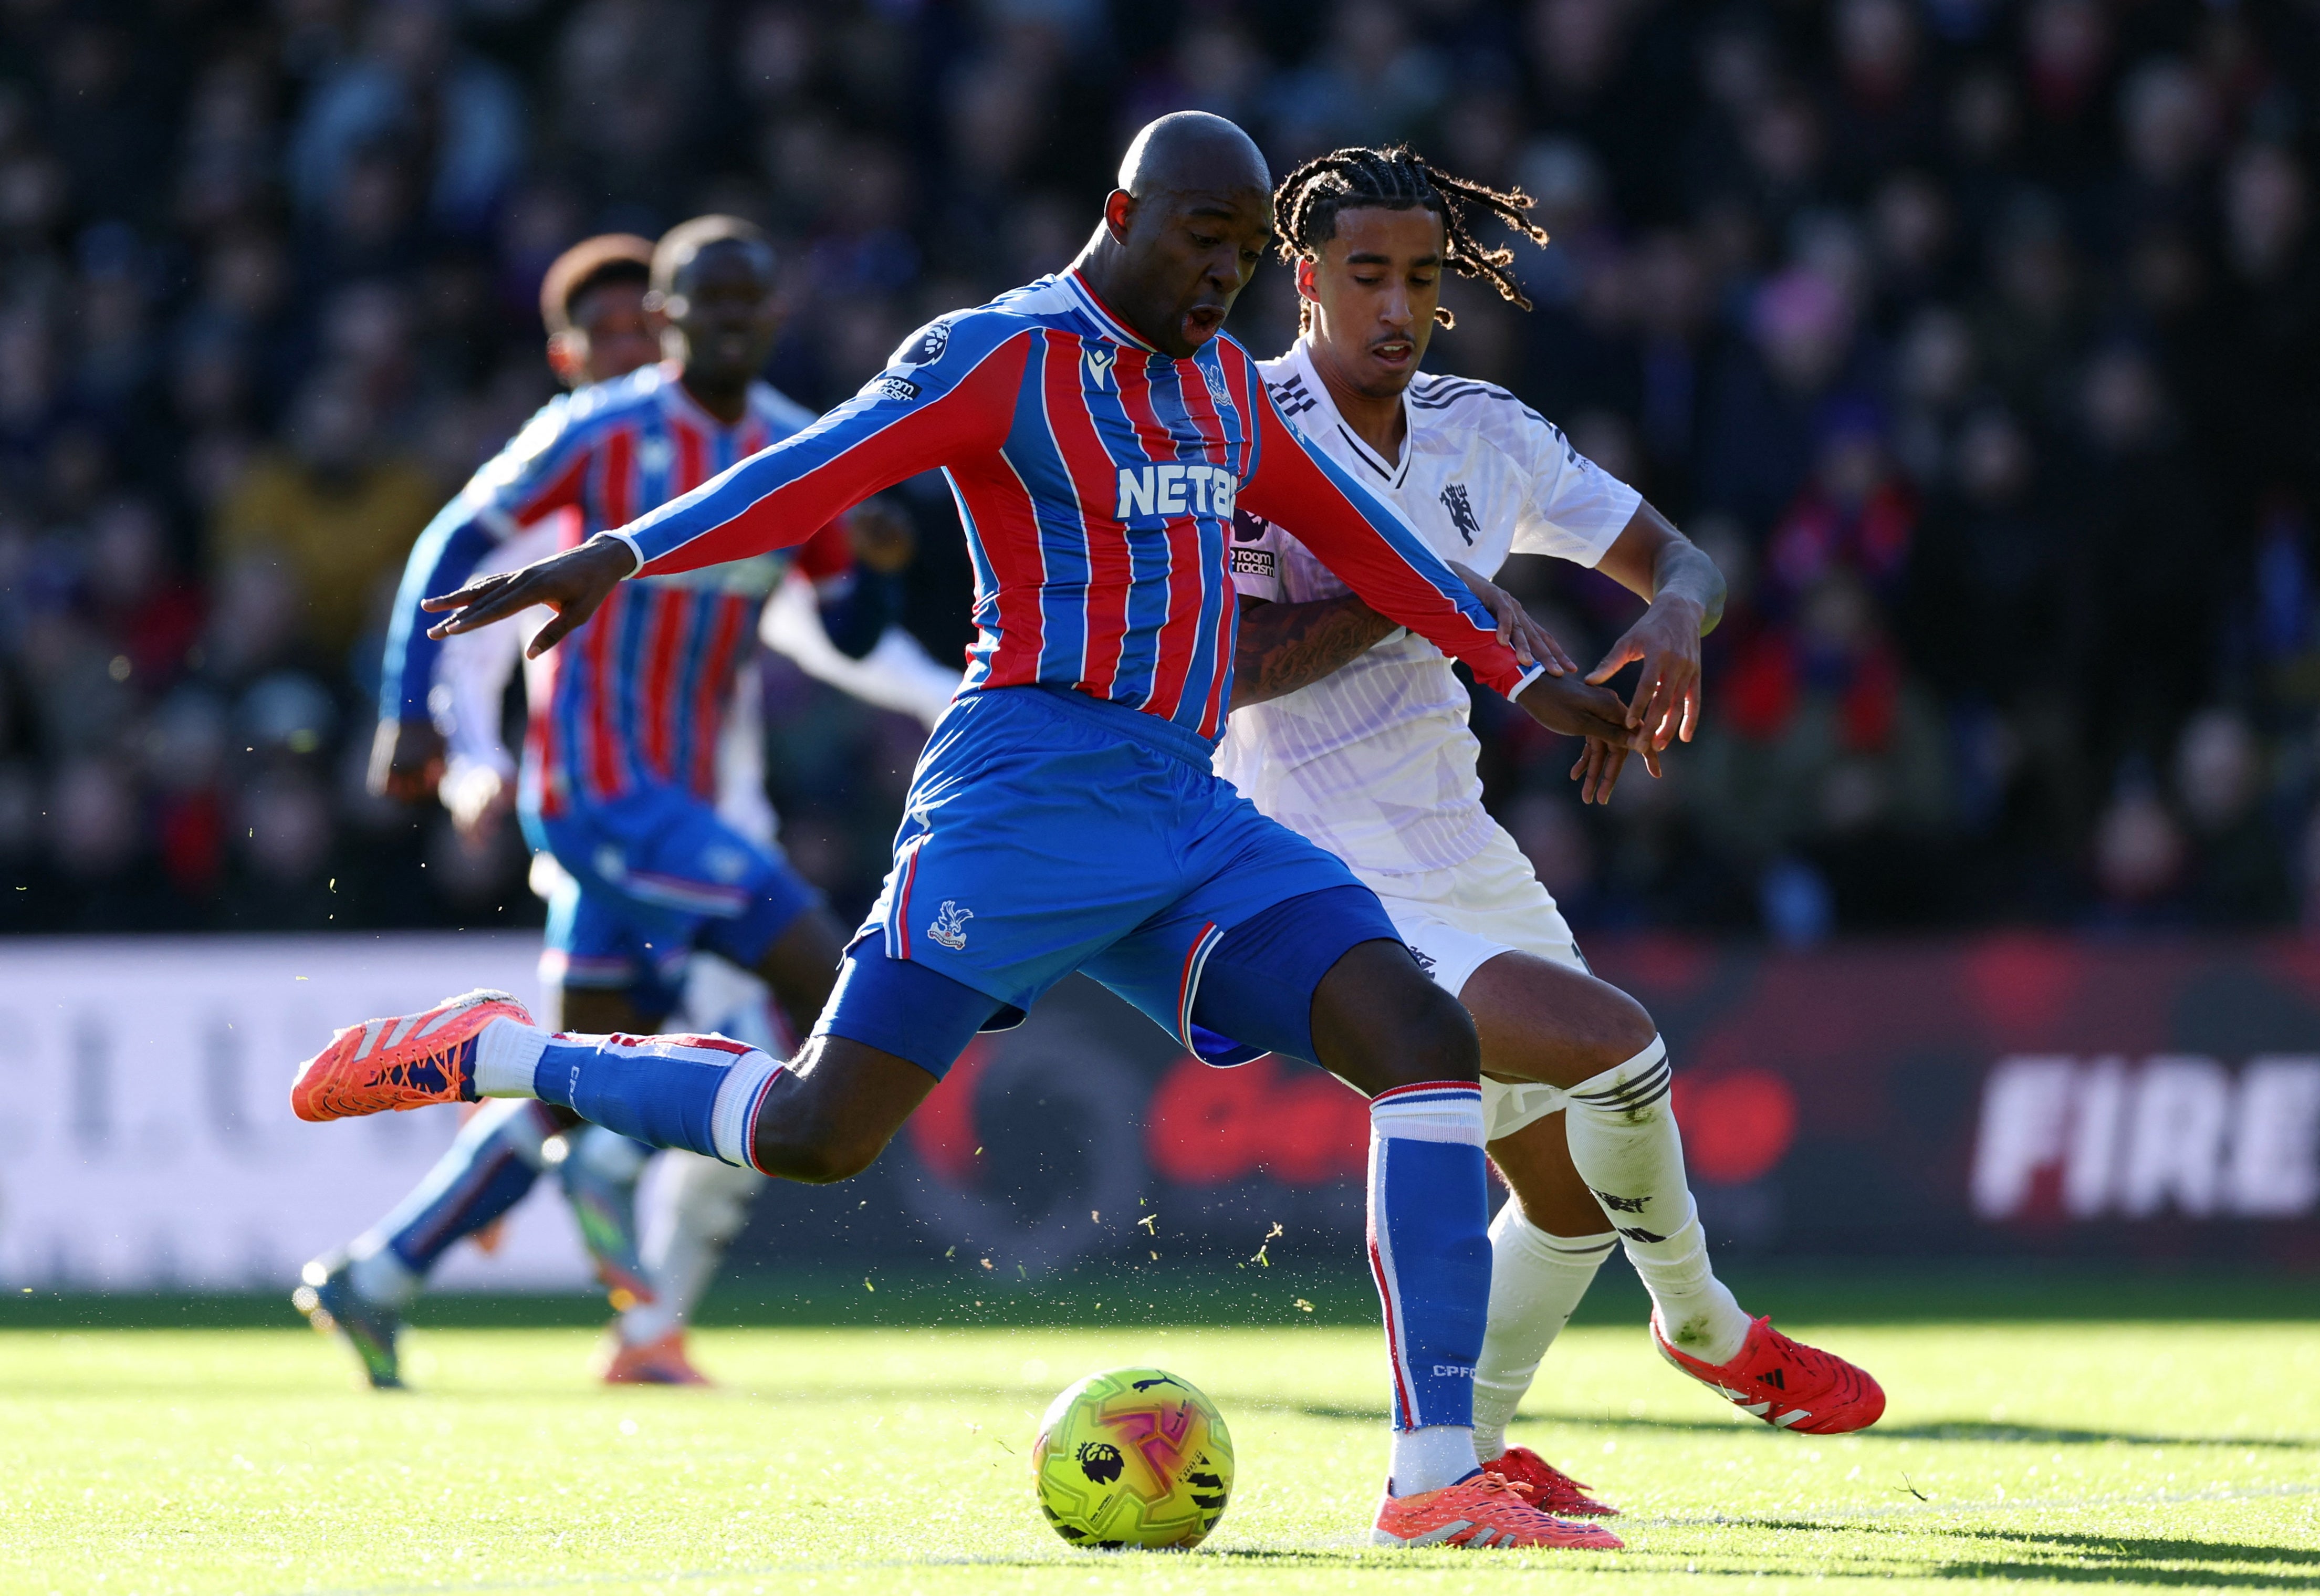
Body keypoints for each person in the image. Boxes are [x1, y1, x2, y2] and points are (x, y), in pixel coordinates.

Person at [290, 112, 1646, 1552]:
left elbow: (1376, 545)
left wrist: (1524, 675)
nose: (1224, 281)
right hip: (1022, 795)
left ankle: (1435, 1478)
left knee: (1418, 1040)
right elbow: (814, 468)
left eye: (1247, 257)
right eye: (1203, 242)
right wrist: (623, 554)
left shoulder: (1223, 395)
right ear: (1122, 211)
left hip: (1186, 809)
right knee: (819, 1133)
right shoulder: (999, 355)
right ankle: (501, 1052)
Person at [1221, 144, 1884, 1515]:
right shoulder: (1241, 430)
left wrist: (1670, 617)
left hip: (1462, 850)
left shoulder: (1481, 429)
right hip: (1306, 867)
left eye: (1420, 278)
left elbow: (1682, 558)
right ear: (1304, 280)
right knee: (1616, 1042)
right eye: (1366, 277)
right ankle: (1704, 1326)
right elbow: (1222, 664)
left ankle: (1472, 1459)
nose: (1396, 308)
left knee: (1576, 1197)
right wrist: (1423, 589)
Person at [295, 219, 922, 1389]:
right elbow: (452, 538)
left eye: (750, 306)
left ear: (777, 317)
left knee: (568, 1081)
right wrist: (410, 708)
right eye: (704, 305)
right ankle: (641, 1252)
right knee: (812, 972)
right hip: (596, 793)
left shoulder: (801, 447)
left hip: (677, 799)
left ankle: (380, 1274)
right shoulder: (600, 431)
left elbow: (844, 627)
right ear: (671, 317)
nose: (728, 325)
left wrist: (877, 560)